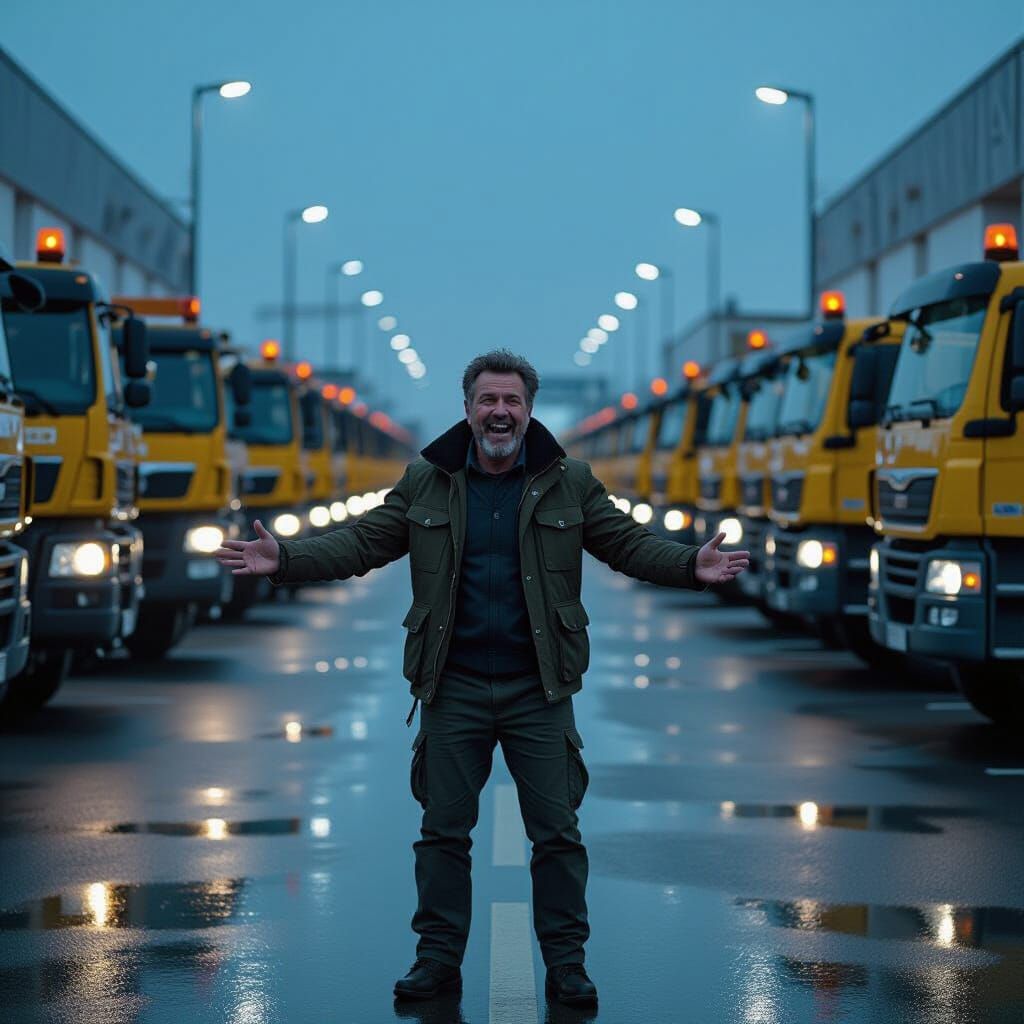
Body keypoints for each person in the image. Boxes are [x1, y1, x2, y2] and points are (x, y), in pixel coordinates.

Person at [215, 350, 749, 1007]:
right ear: (467, 409)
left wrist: (688, 563)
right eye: (488, 401)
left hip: (539, 688)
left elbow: (625, 542)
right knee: (443, 833)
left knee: (557, 834)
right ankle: (436, 962)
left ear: (528, 410)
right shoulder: (428, 481)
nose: (500, 412)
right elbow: (362, 543)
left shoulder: (568, 481)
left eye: (512, 401)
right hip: (454, 684)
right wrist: (287, 559)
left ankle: (567, 966)